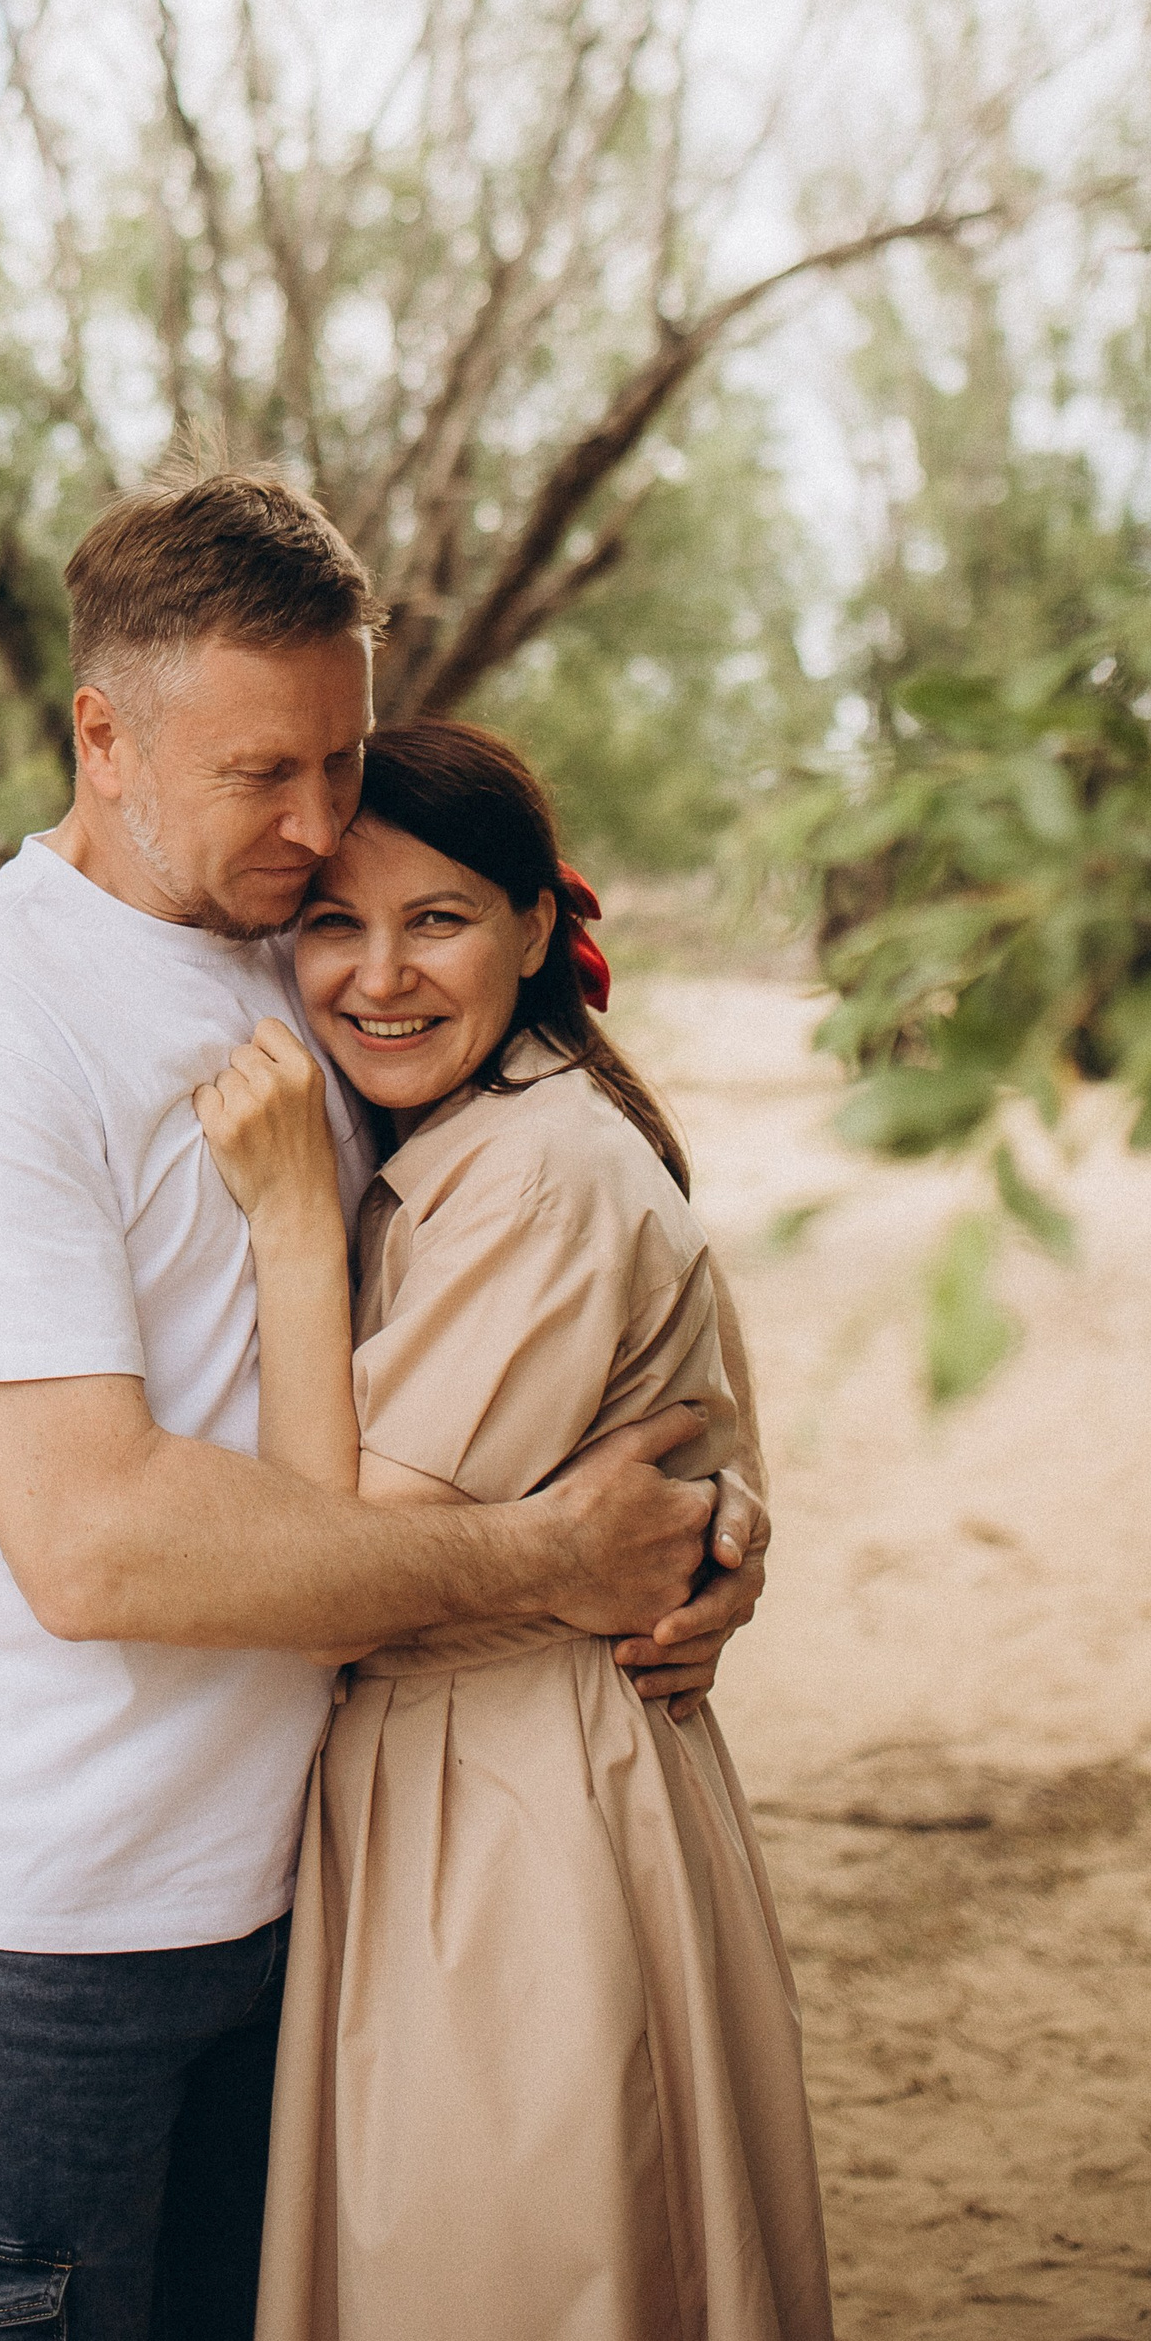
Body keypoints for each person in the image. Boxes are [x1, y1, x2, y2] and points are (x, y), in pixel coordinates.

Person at [0, 470, 770, 2341]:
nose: (322, 820)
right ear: (103, 733)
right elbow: (93, 1543)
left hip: (290, 1876)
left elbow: (541, 1267)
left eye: (338, 758)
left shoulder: (309, 940)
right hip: (45, 1916)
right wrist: (552, 1559)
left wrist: (712, 1520)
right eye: (267, 771)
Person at [195, 716, 831, 2341]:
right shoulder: (503, 1133)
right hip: (511, 1768)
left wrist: (283, 1224)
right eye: (335, 922)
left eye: (441, 917)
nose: (379, 974)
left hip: (512, 1808)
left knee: (499, 2263)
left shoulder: (538, 1169)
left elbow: (337, 1569)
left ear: (541, 927)